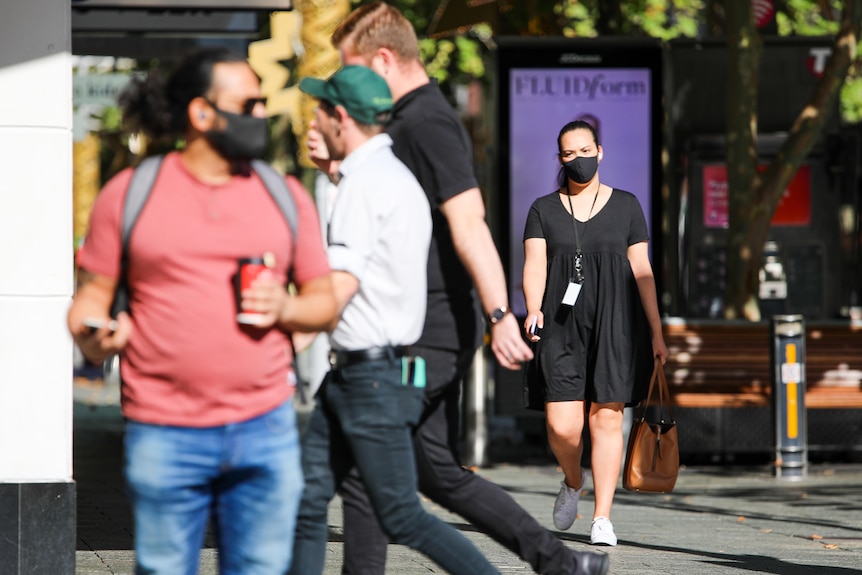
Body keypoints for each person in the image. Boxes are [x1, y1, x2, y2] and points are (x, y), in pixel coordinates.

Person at [302, 3, 610, 575]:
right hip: (422, 324)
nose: (348, 91)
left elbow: (469, 219)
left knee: (373, 477)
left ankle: (558, 564)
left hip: (431, 329)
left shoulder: (428, 123)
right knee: (429, 471)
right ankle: (562, 565)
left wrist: (500, 314)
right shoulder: (402, 122)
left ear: (384, 59)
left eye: (354, 72)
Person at [67, 46, 337, 575]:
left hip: (265, 426)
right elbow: (89, 306)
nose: (262, 114)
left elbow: (324, 303)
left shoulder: (283, 195)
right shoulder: (129, 194)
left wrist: (286, 305)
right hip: (164, 429)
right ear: (201, 113)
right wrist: (94, 338)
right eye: (250, 103)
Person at [290, 64, 499, 575]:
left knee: (401, 515)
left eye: (320, 111)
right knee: (307, 497)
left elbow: (340, 285)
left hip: (372, 378)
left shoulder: (363, 186)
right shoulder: (390, 176)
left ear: (341, 117)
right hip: (364, 375)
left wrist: (281, 334)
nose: (313, 123)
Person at [521, 120, 669, 547]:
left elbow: (642, 271)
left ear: (600, 152)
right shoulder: (543, 209)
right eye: (569, 154)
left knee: (606, 418)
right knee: (562, 426)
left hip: (616, 324)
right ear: (560, 158)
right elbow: (535, 264)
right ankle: (573, 479)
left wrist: (656, 332)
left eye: (586, 151)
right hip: (561, 324)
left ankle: (602, 517)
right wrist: (533, 307)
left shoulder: (626, 206)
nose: (579, 160)